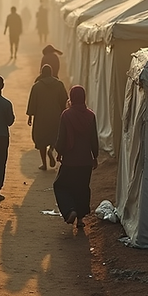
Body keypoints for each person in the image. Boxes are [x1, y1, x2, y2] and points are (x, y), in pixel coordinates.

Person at [53, 85, 99, 229]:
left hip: (70, 160)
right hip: (85, 160)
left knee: (60, 185)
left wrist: (59, 151)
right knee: (82, 188)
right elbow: (94, 139)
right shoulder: (90, 116)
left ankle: (69, 210)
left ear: (71, 98)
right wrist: (95, 156)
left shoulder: (66, 115)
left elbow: (62, 138)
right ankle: (80, 219)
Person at [27, 64, 68, 171]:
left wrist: (30, 117)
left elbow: (32, 103)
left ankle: (44, 164)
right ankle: (52, 149)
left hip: (41, 117)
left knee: (41, 139)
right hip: (56, 115)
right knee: (55, 136)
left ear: (42, 73)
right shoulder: (59, 84)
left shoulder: (36, 86)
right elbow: (64, 100)